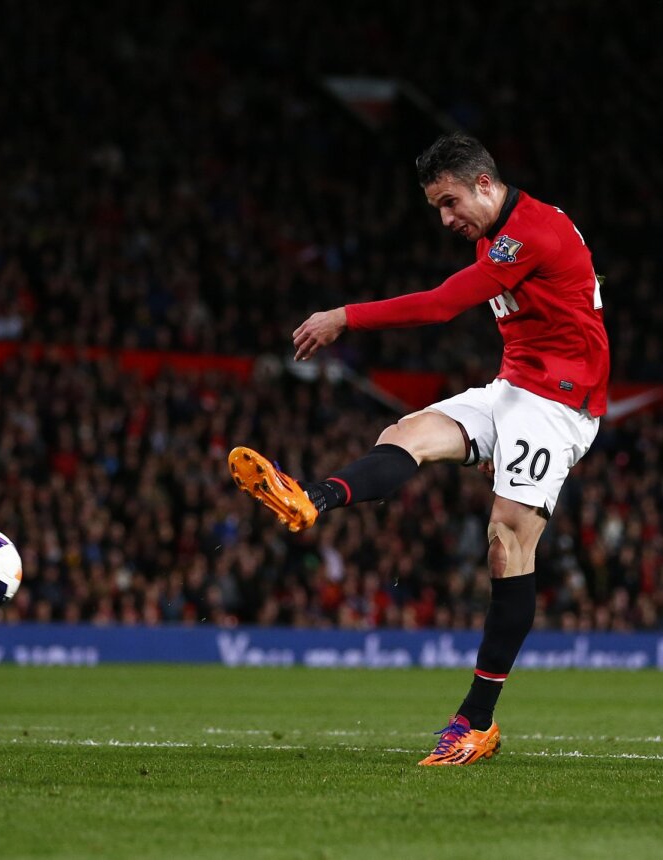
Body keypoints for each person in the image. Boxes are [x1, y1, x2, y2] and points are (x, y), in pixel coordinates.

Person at [229, 132, 608, 766]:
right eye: (437, 206)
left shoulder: (529, 234)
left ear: (484, 185)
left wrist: (344, 316)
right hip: (514, 388)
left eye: (450, 202)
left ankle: (476, 722)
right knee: (404, 435)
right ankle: (311, 499)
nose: (446, 219)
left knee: (505, 541)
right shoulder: (496, 231)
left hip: (560, 404)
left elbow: (439, 307)